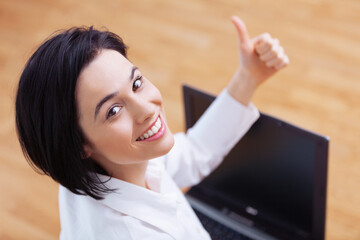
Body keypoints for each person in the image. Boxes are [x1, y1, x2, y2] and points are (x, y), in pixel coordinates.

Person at [15, 16, 289, 239]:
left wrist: (248, 76)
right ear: (78, 145)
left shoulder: (104, 167)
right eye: (113, 111)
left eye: (136, 83)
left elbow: (194, 151)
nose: (147, 109)